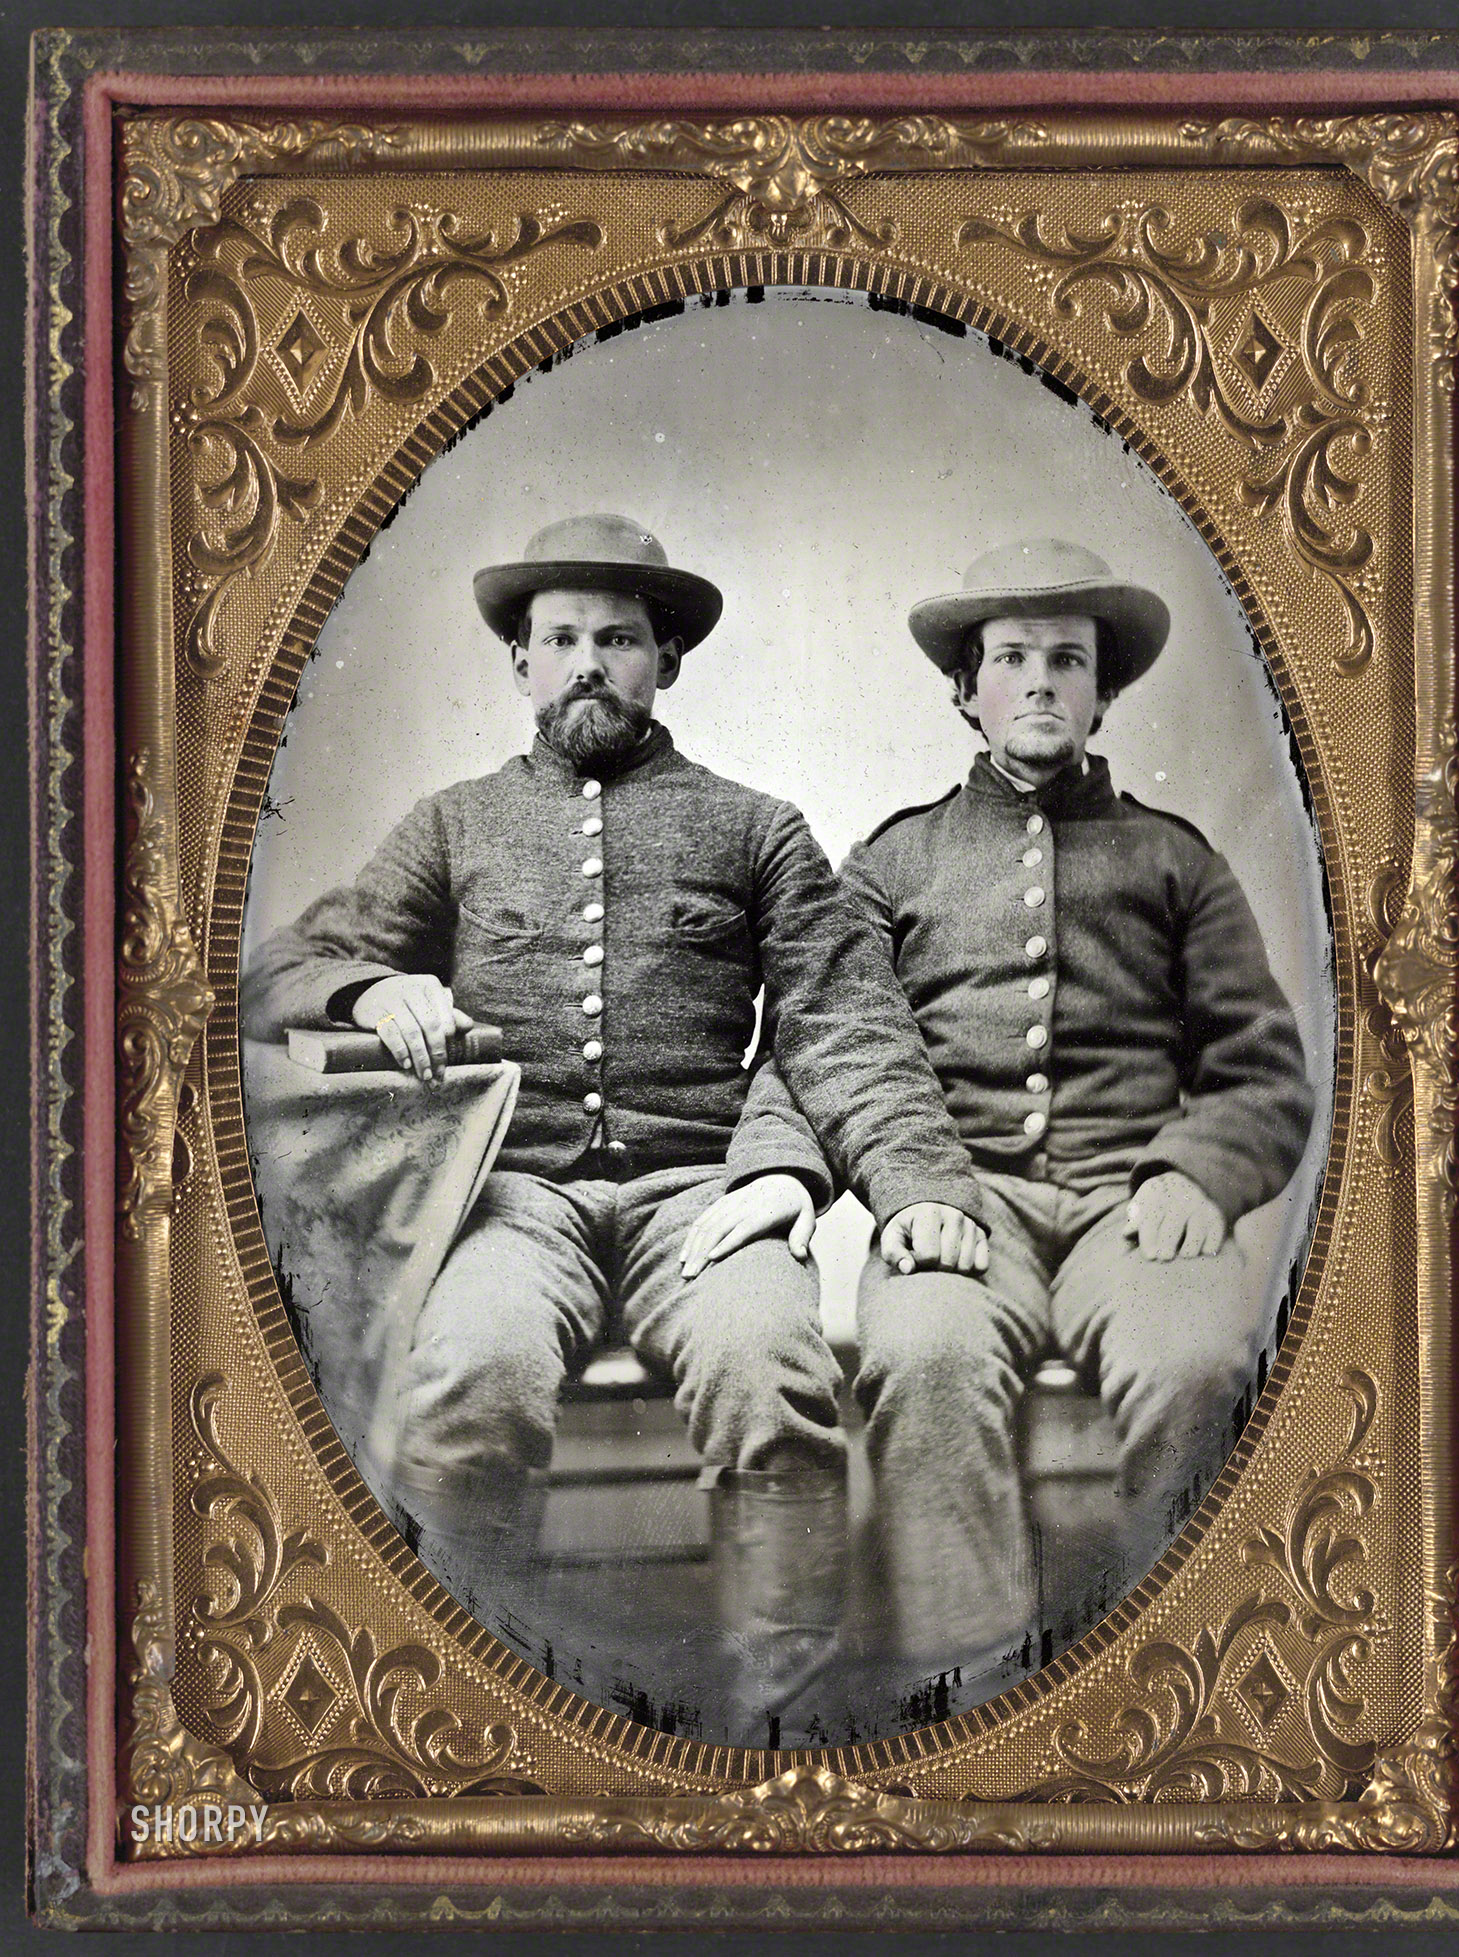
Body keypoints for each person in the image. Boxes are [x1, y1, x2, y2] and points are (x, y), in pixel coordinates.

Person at [241, 513, 986, 1744]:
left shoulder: (755, 827)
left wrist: (916, 1189)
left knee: (773, 1373)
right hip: (509, 1198)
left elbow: (846, 1022)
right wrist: (368, 990)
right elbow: (280, 968)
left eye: (620, 639)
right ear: (521, 664)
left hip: (703, 1197)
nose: (589, 662)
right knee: (469, 1381)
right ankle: (459, 1722)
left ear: (667, 660)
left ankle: (784, 1733)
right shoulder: (453, 825)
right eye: (562, 639)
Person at [733, 537, 1316, 1689]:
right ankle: (973, 1684)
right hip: (958, 1201)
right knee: (924, 1359)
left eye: (1067, 660)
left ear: (1103, 694)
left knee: (1200, 1364)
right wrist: (794, 1176)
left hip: (1129, 1202)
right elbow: (818, 1041)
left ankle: (1173, 1680)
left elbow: (1260, 1067)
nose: (1040, 682)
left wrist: (1197, 1171)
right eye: (1010, 659)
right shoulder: (892, 863)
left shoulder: (1174, 861)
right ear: (966, 691)